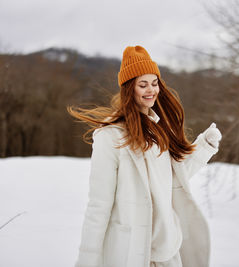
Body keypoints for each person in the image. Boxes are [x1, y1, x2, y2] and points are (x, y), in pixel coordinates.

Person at [69, 45, 222, 267]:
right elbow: (98, 205)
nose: (151, 90)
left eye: (154, 83)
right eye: (143, 84)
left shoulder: (158, 130)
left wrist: (204, 147)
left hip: (168, 252)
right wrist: (87, 260)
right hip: (132, 253)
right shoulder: (110, 137)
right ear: (129, 89)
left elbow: (171, 180)